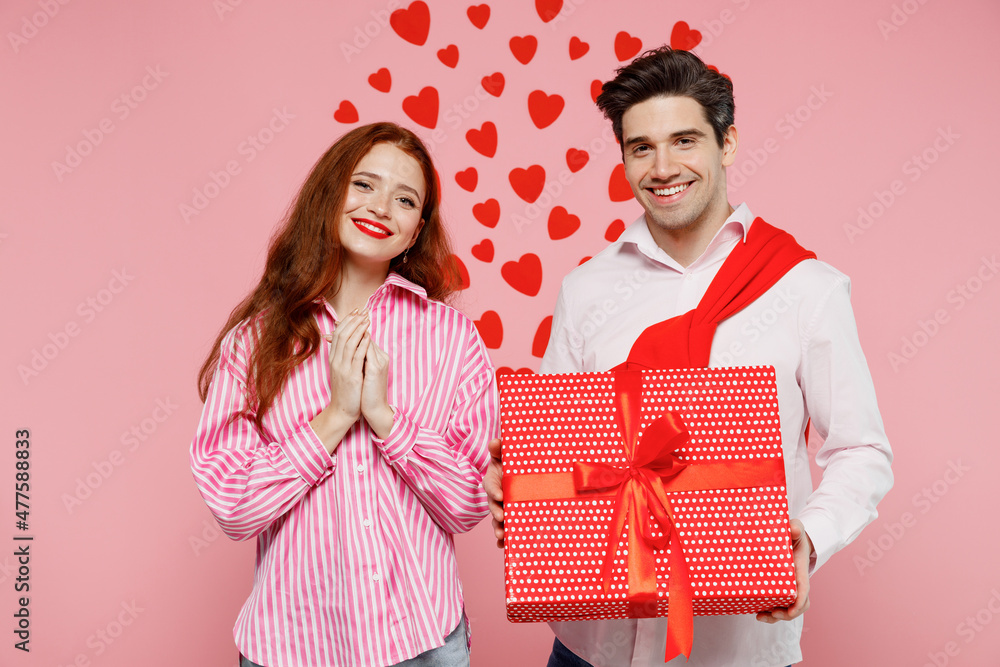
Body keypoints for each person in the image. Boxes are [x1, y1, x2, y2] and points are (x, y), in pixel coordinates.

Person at [484, 47, 893, 667]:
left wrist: (805, 542)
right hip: (592, 646)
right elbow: (562, 445)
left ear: (726, 143)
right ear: (622, 158)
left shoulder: (806, 288)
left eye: (684, 140)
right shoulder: (586, 287)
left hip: (734, 648)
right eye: (640, 147)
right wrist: (518, 485)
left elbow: (861, 450)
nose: (663, 166)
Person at [191, 122, 497, 667]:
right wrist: (334, 417)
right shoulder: (255, 339)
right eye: (364, 185)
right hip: (290, 645)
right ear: (330, 194)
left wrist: (384, 418)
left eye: (404, 199)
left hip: (423, 640)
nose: (381, 207)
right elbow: (234, 509)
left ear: (415, 230)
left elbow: (470, 503)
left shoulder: (451, 337)